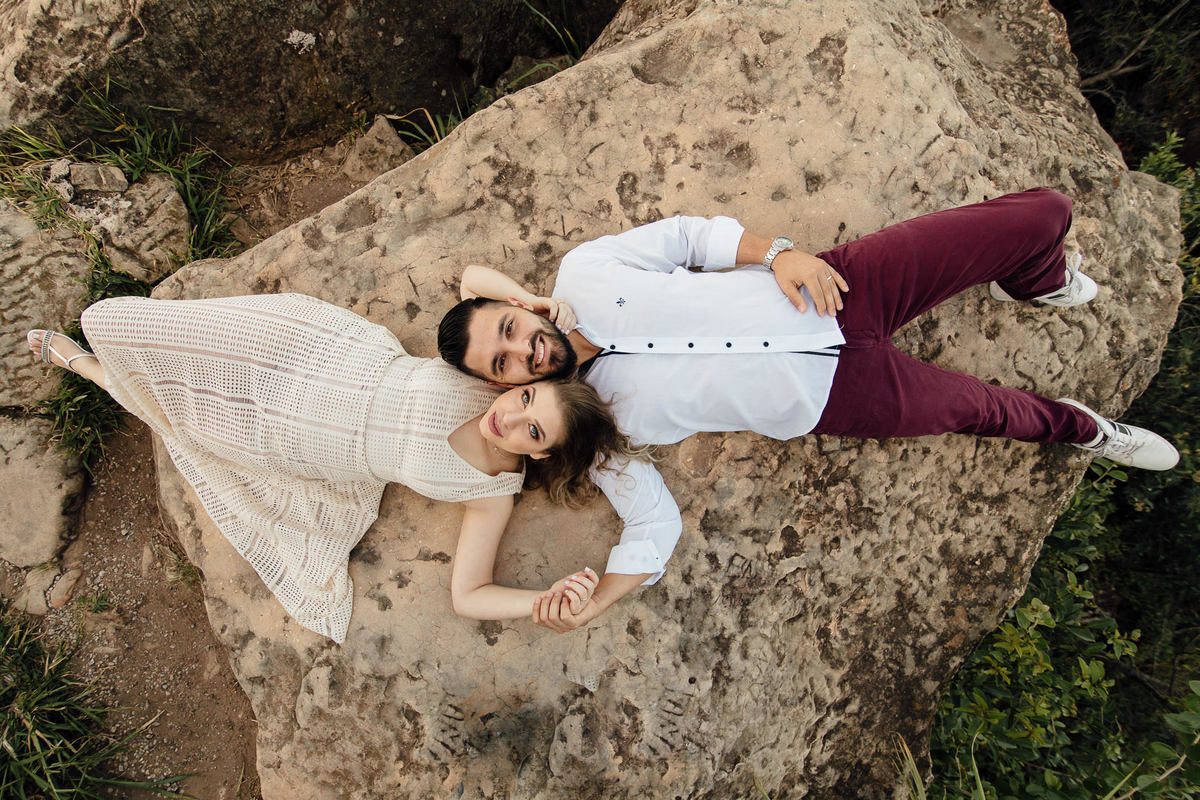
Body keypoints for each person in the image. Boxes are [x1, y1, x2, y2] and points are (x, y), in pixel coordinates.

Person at [436, 188, 1180, 633]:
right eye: (502, 367)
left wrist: (779, 253)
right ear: (502, 388)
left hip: (831, 287)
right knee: (977, 409)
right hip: (835, 397)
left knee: (1044, 212)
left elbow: (692, 236)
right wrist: (599, 599)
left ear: (513, 305)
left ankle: (1035, 278)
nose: (523, 354)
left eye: (511, 331)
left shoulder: (583, 273)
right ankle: (1086, 429)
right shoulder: (592, 427)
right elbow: (652, 524)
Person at [27, 292, 648, 643]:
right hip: (322, 360)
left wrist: (541, 601)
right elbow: (475, 290)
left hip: (296, 445)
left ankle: (88, 369)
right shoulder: (489, 379)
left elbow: (469, 595)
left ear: (540, 452)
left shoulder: (492, 492)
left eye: (532, 430)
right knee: (133, 324)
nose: (510, 418)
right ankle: (105, 356)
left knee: (187, 419)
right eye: (524, 398)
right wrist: (532, 304)